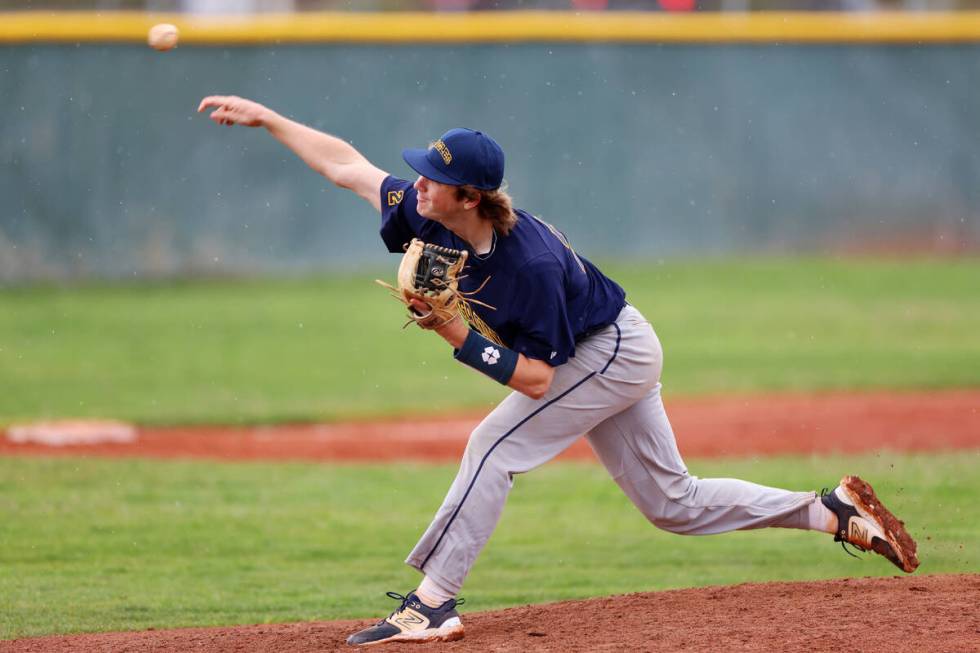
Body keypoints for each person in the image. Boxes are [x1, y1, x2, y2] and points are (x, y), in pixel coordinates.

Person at [197, 95, 920, 647]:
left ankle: (431, 604)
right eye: (421, 173)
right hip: (605, 347)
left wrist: (452, 330)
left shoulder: (529, 266)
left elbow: (539, 380)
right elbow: (346, 165)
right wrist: (268, 119)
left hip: (606, 351)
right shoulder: (428, 214)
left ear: (470, 197)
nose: (417, 183)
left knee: (494, 446)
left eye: (434, 179)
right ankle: (829, 509)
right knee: (673, 503)